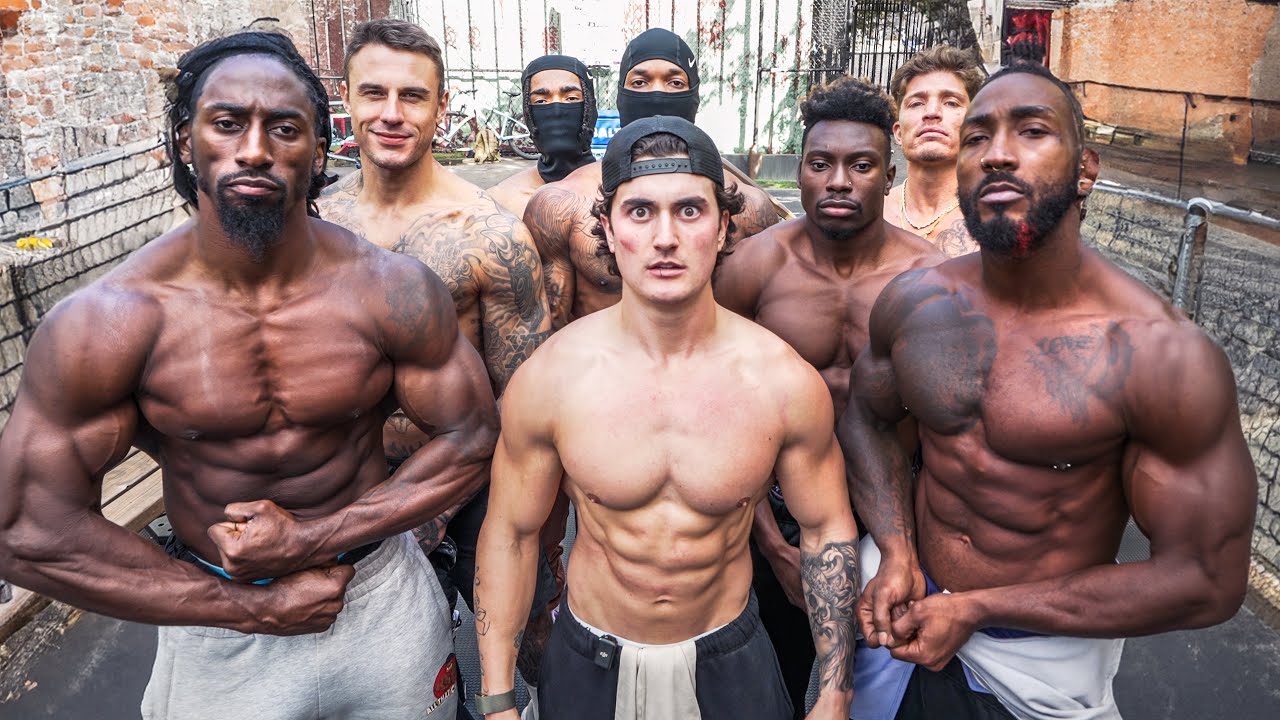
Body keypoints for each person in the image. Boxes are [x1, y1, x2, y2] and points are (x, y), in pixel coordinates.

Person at [0, 32, 500, 719]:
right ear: (186, 142)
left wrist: (317, 536)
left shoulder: (391, 290)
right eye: (228, 123)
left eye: (285, 128)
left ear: (319, 151)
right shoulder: (108, 324)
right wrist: (248, 608)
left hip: (376, 595)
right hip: (216, 622)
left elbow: (471, 437)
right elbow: (28, 529)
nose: (256, 149)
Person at [839, 61, 1257, 720]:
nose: (997, 154)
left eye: (1032, 131)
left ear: (1085, 169)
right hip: (898, 611)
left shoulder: (1160, 356)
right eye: (977, 137)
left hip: (1036, 663)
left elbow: (1206, 578)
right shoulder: (916, 304)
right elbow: (867, 418)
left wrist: (976, 608)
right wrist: (895, 549)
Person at [472, 117, 860, 720]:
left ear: (723, 226)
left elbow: (826, 529)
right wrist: (498, 697)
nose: (665, 238)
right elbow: (512, 535)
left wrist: (835, 692)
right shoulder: (552, 378)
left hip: (728, 658)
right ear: (608, 228)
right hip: (590, 660)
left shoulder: (781, 381)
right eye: (640, 212)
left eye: (689, 211)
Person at [314, 19, 559, 703]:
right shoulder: (314, 226)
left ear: (441, 107)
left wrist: (435, 508)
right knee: (380, 682)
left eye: (413, 96)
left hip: (471, 492)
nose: (392, 114)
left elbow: (524, 398)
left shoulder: (488, 235)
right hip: (344, 492)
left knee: (520, 662)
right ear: (347, 99)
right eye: (374, 93)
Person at [714, 76, 941, 718]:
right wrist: (773, 547)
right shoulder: (755, 267)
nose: (839, 181)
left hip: (891, 509)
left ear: (889, 176)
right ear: (800, 172)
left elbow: (947, 427)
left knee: (881, 687)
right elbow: (720, 416)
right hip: (775, 509)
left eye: (860, 166)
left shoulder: (929, 278)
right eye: (821, 164)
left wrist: (906, 544)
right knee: (775, 686)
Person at [524, 28, 790, 327]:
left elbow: (755, 319)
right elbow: (552, 325)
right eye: (639, 82)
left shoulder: (751, 206)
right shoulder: (561, 202)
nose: (656, 94)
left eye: (675, 82)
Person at [882, 46, 984, 257]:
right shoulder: (870, 211)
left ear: (974, 129)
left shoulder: (997, 217)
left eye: (951, 103)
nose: (931, 112)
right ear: (898, 132)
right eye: (917, 103)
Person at [488, 54, 598, 218]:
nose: (557, 112)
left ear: (590, 108)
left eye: (571, 98)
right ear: (528, 112)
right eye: (541, 101)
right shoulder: (500, 200)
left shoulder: (619, 190)